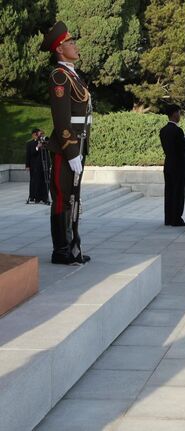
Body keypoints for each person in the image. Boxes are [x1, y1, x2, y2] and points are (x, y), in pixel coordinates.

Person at [40, 21, 90, 265]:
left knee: (74, 198)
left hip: (77, 146)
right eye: (70, 43)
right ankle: (61, 250)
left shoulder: (72, 75)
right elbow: (61, 119)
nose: (75, 46)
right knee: (62, 197)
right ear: (60, 49)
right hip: (65, 149)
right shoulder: (59, 76)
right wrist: (71, 152)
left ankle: (73, 246)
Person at [160, 104, 185, 227]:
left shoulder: (163, 130)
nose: (180, 116)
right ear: (174, 114)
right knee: (178, 192)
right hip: (178, 166)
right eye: (179, 113)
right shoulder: (178, 131)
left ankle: (169, 218)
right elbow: (182, 148)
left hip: (168, 164)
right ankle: (177, 219)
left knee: (169, 192)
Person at [25, 128, 51, 204]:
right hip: (35, 166)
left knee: (45, 181)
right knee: (36, 182)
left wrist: (45, 143)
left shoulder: (45, 143)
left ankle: (45, 197)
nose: (40, 136)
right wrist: (27, 165)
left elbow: (49, 150)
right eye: (38, 134)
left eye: (41, 134)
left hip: (45, 165)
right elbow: (29, 155)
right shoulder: (30, 143)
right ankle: (36, 197)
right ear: (33, 135)